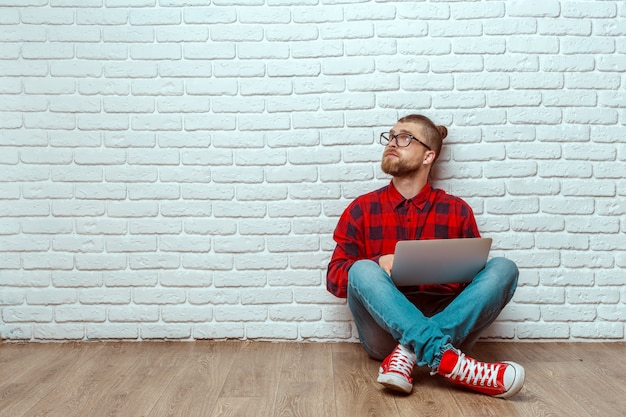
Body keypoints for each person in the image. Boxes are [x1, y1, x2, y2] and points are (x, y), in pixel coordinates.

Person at [326, 114, 524, 398]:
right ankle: (449, 360)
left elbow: (476, 285)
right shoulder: (361, 209)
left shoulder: (457, 210)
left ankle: (409, 353)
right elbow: (335, 279)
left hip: (448, 320)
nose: (392, 143)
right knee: (360, 269)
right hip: (384, 330)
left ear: (428, 156)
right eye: (391, 136)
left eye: (404, 138)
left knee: (504, 268)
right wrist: (378, 263)